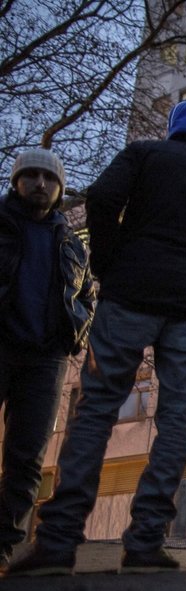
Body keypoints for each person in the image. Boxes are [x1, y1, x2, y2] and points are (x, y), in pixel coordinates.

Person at [7, 101, 186, 576]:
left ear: (175, 130)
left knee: (96, 409)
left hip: (128, 298)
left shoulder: (143, 155)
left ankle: (58, 540)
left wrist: (109, 262)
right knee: (176, 418)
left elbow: (102, 200)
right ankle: (145, 541)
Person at [0, 149, 95, 569]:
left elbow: (87, 295)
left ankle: (2, 543)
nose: (40, 183)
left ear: (59, 189)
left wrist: (74, 336)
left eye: (49, 178)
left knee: (27, 457)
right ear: (16, 182)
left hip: (46, 359)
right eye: (31, 175)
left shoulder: (71, 241)